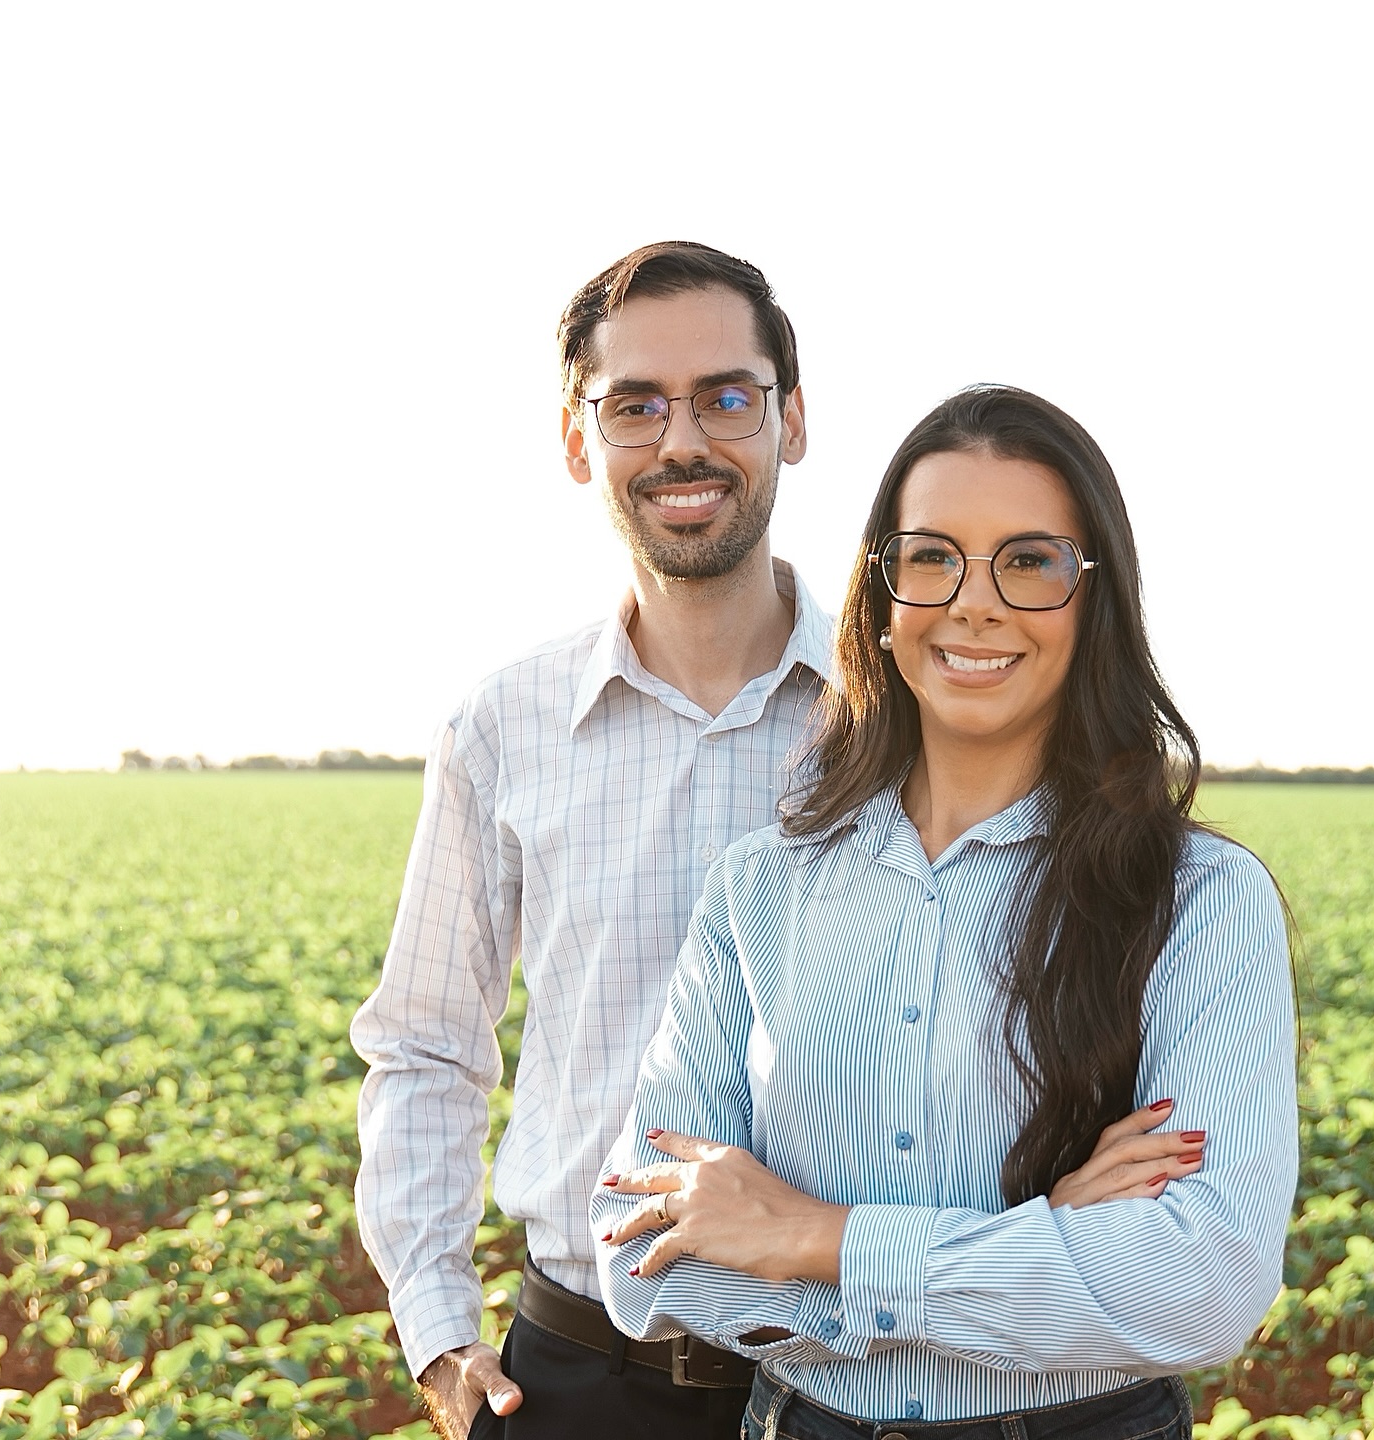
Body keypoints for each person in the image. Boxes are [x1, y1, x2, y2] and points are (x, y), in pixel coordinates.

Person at [593, 386, 1298, 1438]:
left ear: (1094, 597)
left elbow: (1206, 1279)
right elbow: (640, 1255)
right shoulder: (761, 887)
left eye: (1030, 560)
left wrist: (819, 1241)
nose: (976, 602)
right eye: (931, 557)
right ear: (880, 596)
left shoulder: (1197, 899)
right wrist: (1034, 1246)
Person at [349, 241, 834, 1439]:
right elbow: (424, 1045)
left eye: (728, 396)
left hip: (856, 1379)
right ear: (580, 440)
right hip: (575, 1382)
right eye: (636, 406)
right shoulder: (504, 724)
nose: (683, 442)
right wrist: (436, 1327)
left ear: (793, 421)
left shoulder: (907, 718)